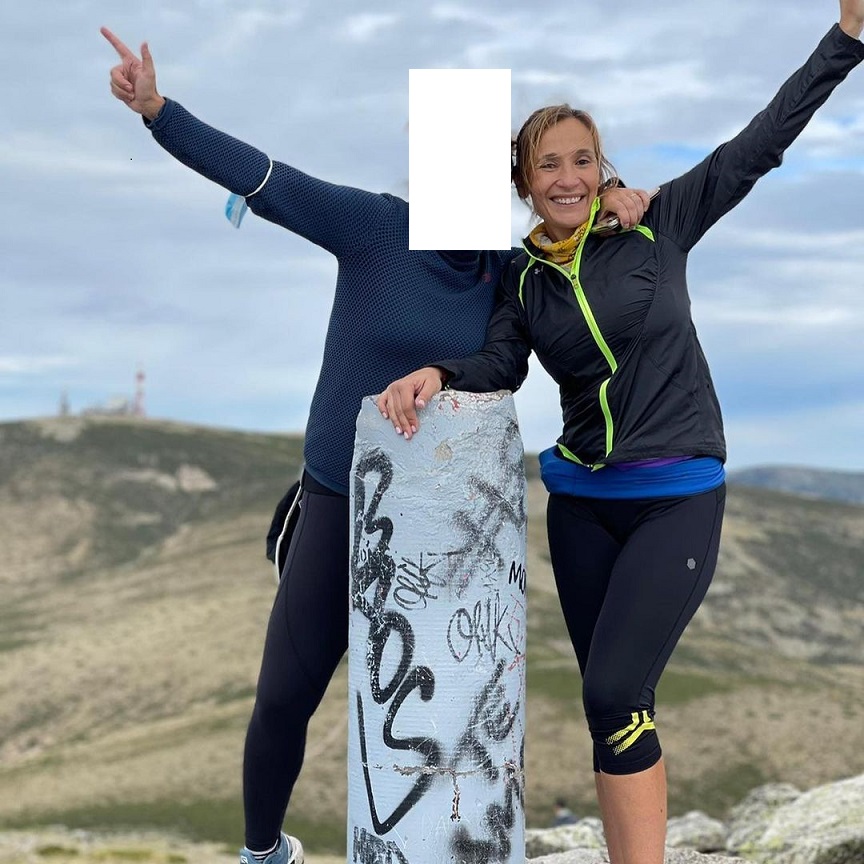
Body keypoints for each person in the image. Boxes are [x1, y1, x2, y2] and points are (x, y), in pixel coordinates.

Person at [100, 26, 650, 864]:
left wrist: (616, 199)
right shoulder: (372, 228)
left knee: (440, 720)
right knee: (286, 694)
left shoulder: (507, 271)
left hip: (445, 531)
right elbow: (263, 177)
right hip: (339, 498)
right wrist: (157, 111)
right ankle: (263, 853)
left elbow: (561, 289)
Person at [378, 4, 864, 863]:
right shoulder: (522, 276)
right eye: (548, 164)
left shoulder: (658, 224)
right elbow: (502, 362)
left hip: (676, 495)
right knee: (610, 709)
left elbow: (760, 143)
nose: (568, 177)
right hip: (581, 506)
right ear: (524, 182)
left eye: (583, 160)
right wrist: (441, 374)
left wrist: (846, 40)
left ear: (602, 168)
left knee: (614, 692)